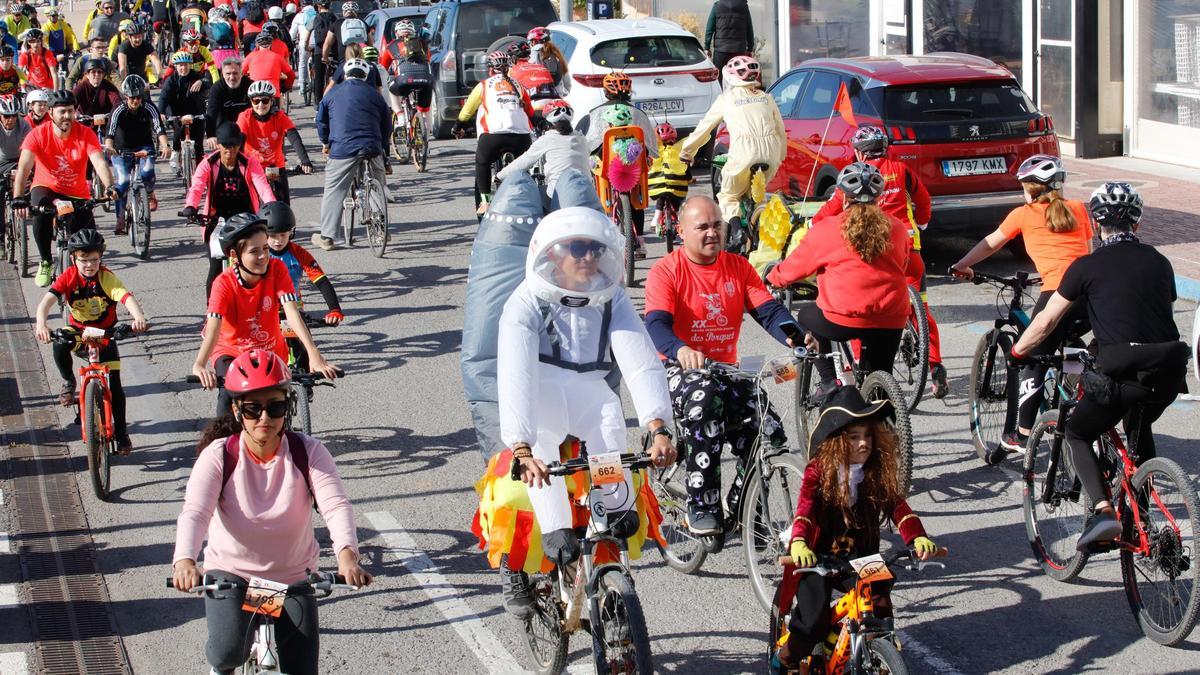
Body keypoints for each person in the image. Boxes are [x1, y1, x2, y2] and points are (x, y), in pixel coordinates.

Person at [498, 206, 676, 616]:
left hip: (591, 393)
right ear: (553, 254)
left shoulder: (611, 297)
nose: (588, 258)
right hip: (538, 398)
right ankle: (549, 539)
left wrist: (658, 424)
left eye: (595, 250)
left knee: (609, 424)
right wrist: (522, 446)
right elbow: (515, 374)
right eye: (576, 249)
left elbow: (639, 357)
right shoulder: (524, 302)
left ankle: (611, 513)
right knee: (537, 456)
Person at [171, 348, 371, 675]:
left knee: (301, 669)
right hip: (232, 574)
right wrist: (185, 561)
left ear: (288, 408)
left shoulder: (308, 453)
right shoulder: (220, 456)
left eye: (275, 407)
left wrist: (348, 556)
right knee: (227, 653)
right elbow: (195, 512)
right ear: (237, 410)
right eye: (253, 408)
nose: (264, 418)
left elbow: (335, 505)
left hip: (290, 577)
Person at [1010, 182, 1187, 550]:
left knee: (1077, 431)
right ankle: (1145, 519)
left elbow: (1045, 322)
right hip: (1167, 371)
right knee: (1138, 425)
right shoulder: (1160, 261)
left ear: (1095, 221)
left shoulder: (1085, 267)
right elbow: (1148, 312)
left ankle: (1104, 512)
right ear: (1136, 224)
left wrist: (1018, 352)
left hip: (1120, 372)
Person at [643, 195, 797, 533]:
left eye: (717, 225)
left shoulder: (738, 267)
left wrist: (797, 336)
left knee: (769, 431)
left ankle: (745, 506)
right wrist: (680, 349)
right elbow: (655, 325)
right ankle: (702, 505)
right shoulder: (666, 271)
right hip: (678, 370)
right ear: (681, 230)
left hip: (726, 369)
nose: (712, 233)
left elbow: (768, 311)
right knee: (705, 401)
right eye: (702, 227)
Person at [772, 385, 938, 673]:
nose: (864, 444)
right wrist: (799, 542)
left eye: (868, 435)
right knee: (812, 620)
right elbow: (806, 510)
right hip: (816, 556)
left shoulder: (874, 471)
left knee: (879, 606)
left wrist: (918, 536)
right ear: (836, 440)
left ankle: (878, 655)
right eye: (853, 437)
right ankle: (784, 658)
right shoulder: (818, 471)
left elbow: (898, 508)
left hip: (862, 556)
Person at [952, 154, 1092, 453]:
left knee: (1031, 357)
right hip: (1089, 295)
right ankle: (1074, 397)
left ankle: (1023, 433)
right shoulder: (1079, 209)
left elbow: (991, 242)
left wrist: (963, 264)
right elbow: (1084, 255)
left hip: (1056, 293)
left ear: (1030, 189)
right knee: (1071, 343)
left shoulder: (1023, 214)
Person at [812, 126, 947, 398]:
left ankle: (866, 372)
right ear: (885, 148)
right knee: (921, 308)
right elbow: (923, 201)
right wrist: (920, 222)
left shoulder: (853, 178)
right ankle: (935, 367)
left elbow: (827, 214)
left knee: (865, 310)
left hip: (873, 257)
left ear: (859, 152)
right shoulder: (902, 171)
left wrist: (815, 225)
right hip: (909, 252)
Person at [766, 162, 911, 389]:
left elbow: (795, 268)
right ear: (879, 198)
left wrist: (774, 277)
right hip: (891, 317)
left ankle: (828, 381)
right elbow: (903, 263)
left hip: (842, 319)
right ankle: (886, 416)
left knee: (806, 316)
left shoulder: (828, 228)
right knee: (880, 383)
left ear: (843, 198)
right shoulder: (898, 227)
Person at [190, 212, 340, 417]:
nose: (263, 256)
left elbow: (291, 313)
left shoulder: (277, 269)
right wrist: (199, 364)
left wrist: (314, 355)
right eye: (254, 251)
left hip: (271, 348)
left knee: (276, 405)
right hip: (231, 351)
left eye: (265, 248)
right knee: (228, 396)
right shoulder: (223, 284)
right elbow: (213, 329)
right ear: (235, 255)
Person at [33, 229, 148, 454]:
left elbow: (126, 297)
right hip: (78, 333)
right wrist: (41, 324)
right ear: (74, 259)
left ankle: (123, 433)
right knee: (60, 342)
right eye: (83, 260)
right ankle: (68, 382)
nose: (89, 265)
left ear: (101, 258)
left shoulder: (106, 277)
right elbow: (46, 302)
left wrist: (138, 317)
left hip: (105, 335)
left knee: (115, 386)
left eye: (94, 260)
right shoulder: (69, 276)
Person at [13, 89, 116, 288]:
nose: (68, 116)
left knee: (89, 243)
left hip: (77, 192)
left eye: (71, 111)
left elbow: (99, 162)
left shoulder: (85, 133)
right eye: (62, 111)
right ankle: (46, 261)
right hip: (47, 187)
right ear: (51, 112)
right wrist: (18, 197)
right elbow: (24, 167)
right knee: (40, 214)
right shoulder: (37, 135)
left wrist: (109, 186)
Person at [679, 55, 784, 249]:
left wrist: (687, 151)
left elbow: (706, 127)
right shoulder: (767, 98)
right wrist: (780, 156)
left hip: (743, 153)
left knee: (728, 195)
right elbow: (780, 130)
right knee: (758, 193)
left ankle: (736, 230)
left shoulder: (727, 99)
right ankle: (760, 226)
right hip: (771, 154)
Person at [180, 122, 277, 297]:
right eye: (226, 146)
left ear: (239, 145)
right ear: (219, 144)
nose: (230, 151)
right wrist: (190, 206)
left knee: (257, 262)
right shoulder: (208, 163)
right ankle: (211, 312)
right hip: (217, 220)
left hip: (246, 218)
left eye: (234, 146)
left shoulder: (249, 162)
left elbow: (262, 186)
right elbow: (197, 187)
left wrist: (272, 207)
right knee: (216, 267)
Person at [313, 57, 388, 251]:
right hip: (372, 146)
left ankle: (328, 236)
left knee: (334, 189)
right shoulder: (375, 95)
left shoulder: (331, 94)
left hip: (343, 148)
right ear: (365, 76)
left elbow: (321, 122)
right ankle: (381, 227)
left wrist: (325, 142)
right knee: (378, 181)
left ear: (344, 75)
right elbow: (386, 125)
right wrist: (383, 148)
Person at [262, 200, 343, 370]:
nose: (278, 241)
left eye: (283, 235)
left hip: (292, 306)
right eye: (273, 236)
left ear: (291, 232)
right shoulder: (259, 254)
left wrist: (334, 309)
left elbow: (322, 281)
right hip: (263, 307)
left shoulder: (298, 253)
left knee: (303, 351)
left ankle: (305, 387)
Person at [453, 50, 534, 215]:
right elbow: (530, 112)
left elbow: (467, 111)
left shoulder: (483, 85)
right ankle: (527, 198)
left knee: (482, 162)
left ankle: (485, 202)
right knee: (523, 168)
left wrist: (458, 125)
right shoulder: (518, 86)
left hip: (493, 136)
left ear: (490, 70)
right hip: (522, 137)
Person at [105, 75, 170, 232]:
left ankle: (149, 192)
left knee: (147, 172)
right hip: (121, 149)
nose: (135, 101)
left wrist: (165, 145)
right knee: (123, 182)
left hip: (144, 146)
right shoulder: (118, 109)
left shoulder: (149, 107)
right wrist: (109, 146)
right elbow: (110, 131)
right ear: (126, 96)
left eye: (138, 97)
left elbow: (158, 127)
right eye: (132, 97)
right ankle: (120, 218)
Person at [238, 79, 312, 203]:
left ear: (272, 101)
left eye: (265, 100)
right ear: (251, 101)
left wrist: (304, 160)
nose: (260, 105)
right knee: (249, 204)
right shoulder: (245, 117)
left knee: (284, 206)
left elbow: (294, 137)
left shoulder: (280, 116)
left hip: (275, 164)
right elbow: (239, 140)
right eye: (256, 100)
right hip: (253, 165)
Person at [494, 99, 587, 195]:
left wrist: (500, 176)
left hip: (560, 196)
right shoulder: (582, 139)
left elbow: (523, 163)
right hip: (587, 193)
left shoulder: (546, 139)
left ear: (548, 122)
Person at [158, 51, 211, 167]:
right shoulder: (171, 80)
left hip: (196, 112)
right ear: (176, 66)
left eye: (186, 64)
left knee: (199, 145)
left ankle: (200, 171)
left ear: (190, 65)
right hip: (177, 112)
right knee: (178, 132)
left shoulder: (196, 76)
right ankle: (176, 151)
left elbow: (208, 82)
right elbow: (163, 96)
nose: (184, 68)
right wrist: (161, 112)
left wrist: (201, 81)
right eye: (180, 65)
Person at [646, 121, 690, 235]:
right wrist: (689, 179)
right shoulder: (678, 150)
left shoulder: (653, 152)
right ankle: (681, 220)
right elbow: (686, 170)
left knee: (661, 195)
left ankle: (655, 219)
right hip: (677, 187)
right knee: (679, 202)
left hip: (656, 186)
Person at [205, 57, 251, 150]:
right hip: (224, 125)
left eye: (235, 73)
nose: (232, 77)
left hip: (246, 126)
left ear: (241, 73)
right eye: (228, 74)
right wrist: (211, 135)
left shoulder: (250, 86)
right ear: (222, 74)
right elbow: (211, 113)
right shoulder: (217, 88)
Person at [704, 0, 754, 76]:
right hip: (739, 50)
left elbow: (710, 28)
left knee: (719, 77)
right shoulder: (743, 6)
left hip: (721, 50)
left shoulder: (717, 6)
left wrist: (707, 47)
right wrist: (750, 48)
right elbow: (749, 28)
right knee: (738, 78)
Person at [307, 0, 335, 106]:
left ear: (318, 6)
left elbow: (306, 36)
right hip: (333, 50)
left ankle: (318, 104)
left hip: (319, 50)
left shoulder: (315, 18)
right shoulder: (334, 17)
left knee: (318, 78)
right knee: (336, 76)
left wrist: (306, 47)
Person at [288, 0, 316, 99]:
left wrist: (293, 39)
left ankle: (302, 86)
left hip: (304, 43)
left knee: (302, 63)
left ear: (301, 5)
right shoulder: (317, 14)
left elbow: (292, 34)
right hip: (317, 44)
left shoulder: (299, 16)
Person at [525, 26, 567, 90]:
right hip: (558, 94)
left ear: (534, 41)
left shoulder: (534, 52)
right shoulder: (556, 53)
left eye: (530, 42)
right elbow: (567, 81)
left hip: (539, 94)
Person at [0, 95, 29, 175]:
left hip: (21, 159)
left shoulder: (24, 125)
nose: (11, 119)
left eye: (14, 115)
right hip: (2, 161)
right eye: (6, 116)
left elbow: (30, 147)